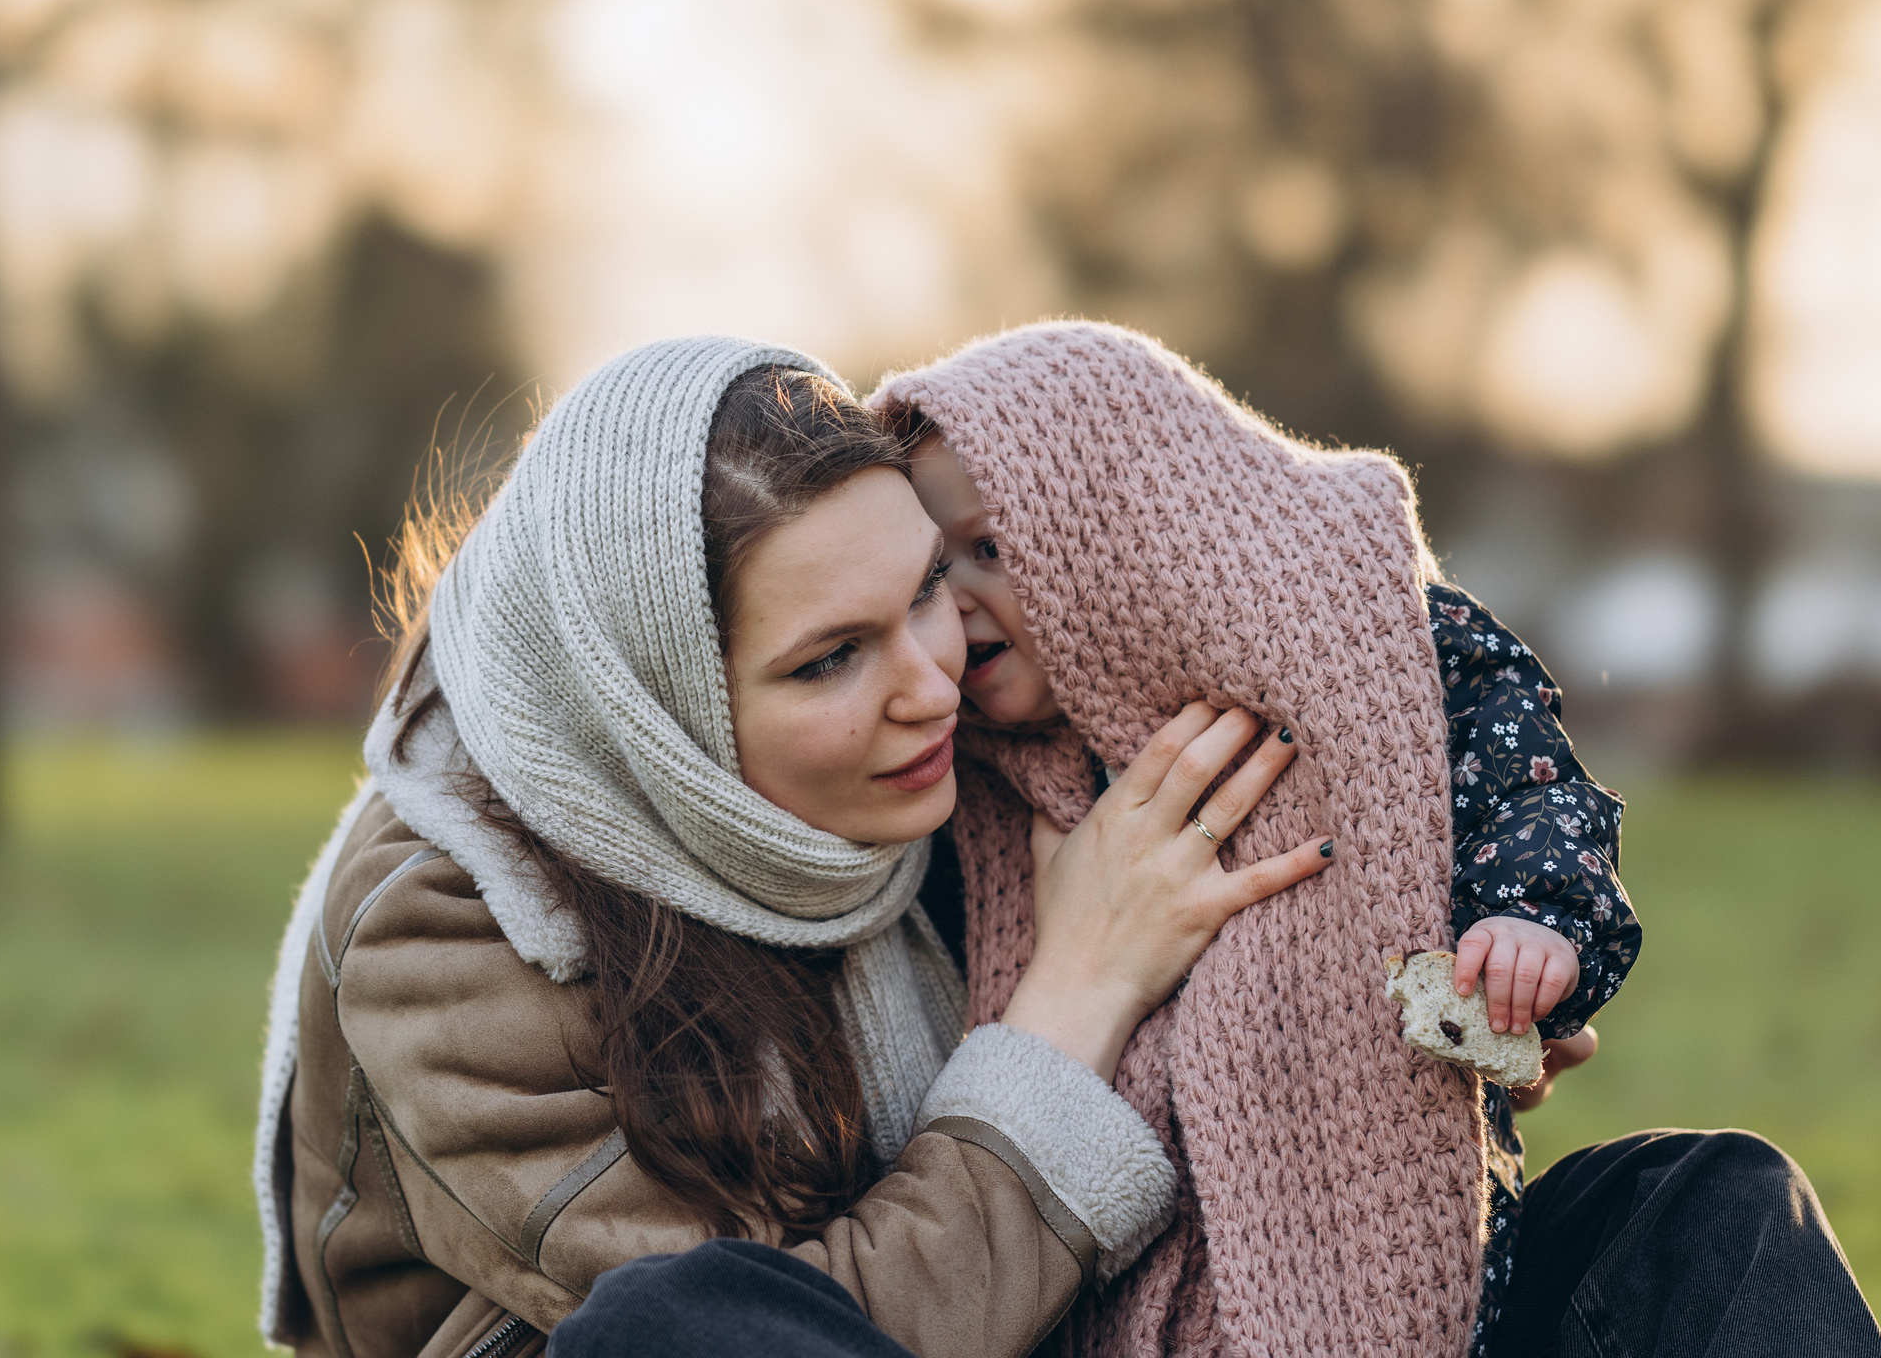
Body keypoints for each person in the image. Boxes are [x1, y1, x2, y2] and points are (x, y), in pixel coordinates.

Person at [251, 337, 1338, 1358]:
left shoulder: (965, 767)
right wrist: (1076, 996)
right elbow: (784, 1328)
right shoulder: (448, 934)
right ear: (657, 715)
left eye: (923, 590)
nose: (933, 682)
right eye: (830, 660)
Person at [873, 319, 1878, 1358]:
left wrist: (1528, 929)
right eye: (926, 575)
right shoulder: (968, 791)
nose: (957, 604)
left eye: (990, 549)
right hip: (1130, 1284)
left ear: (1123, 529)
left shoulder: (1370, 655)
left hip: (1422, 1259)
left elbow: (1528, 792)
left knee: (1718, 1198)